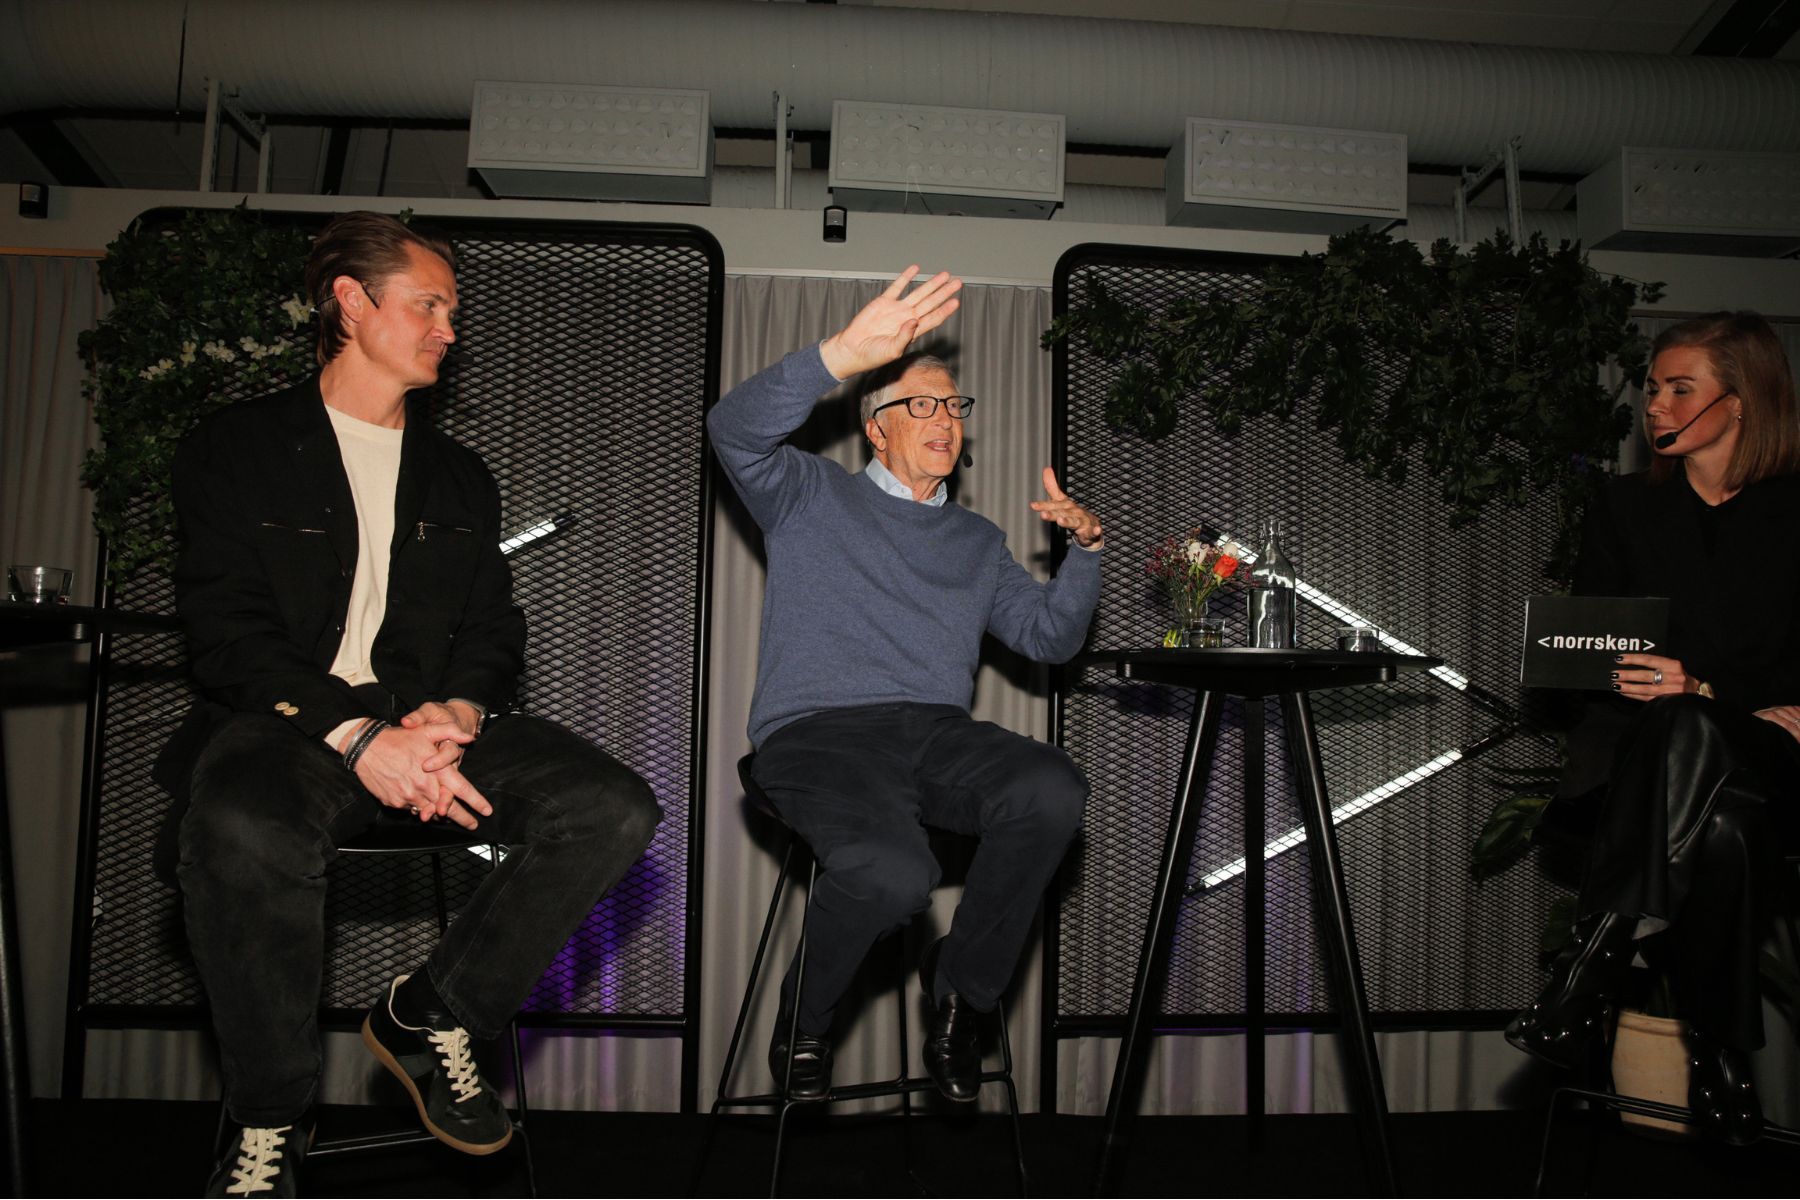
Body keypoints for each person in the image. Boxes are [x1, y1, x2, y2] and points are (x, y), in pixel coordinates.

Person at [157, 211, 661, 1196]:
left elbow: (493, 626)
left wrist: (460, 712)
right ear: (351, 302)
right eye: (429, 305)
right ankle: (269, 1117)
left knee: (612, 807)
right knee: (241, 829)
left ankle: (434, 1014)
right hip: (286, 727)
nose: (448, 330)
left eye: (453, 311)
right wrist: (359, 737)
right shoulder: (237, 446)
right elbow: (226, 634)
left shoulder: (459, 475)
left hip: (424, 724)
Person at [707, 267, 1103, 1103]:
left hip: (933, 736)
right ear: (874, 428)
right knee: (893, 875)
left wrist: (1085, 555)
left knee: (1050, 787)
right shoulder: (809, 493)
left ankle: (962, 997)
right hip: (818, 736)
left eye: (953, 406)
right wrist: (839, 355)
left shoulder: (977, 540)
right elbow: (732, 429)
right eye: (920, 404)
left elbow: (1049, 638)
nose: (944, 420)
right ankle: (805, 1021)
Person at [1505, 311, 1800, 1145]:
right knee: (1721, 826)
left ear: (1740, 401)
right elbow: (1592, 656)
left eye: (1680, 388)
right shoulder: (1626, 507)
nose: (1656, 406)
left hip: (1780, 756)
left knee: (1694, 720)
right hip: (1660, 768)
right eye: (1653, 388)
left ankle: (1589, 967)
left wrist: (1710, 688)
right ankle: (1722, 1058)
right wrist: (1645, 680)